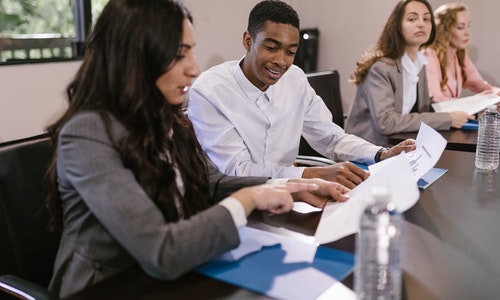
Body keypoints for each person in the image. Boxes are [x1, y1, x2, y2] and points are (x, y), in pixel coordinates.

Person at [43, 0, 352, 297]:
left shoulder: (167, 117)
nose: (194, 68)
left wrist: (288, 188)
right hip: (112, 286)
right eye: (180, 55)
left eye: (191, 52)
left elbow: (210, 182)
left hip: (175, 275)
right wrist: (248, 198)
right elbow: (160, 251)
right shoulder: (87, 133)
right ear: (136, 57)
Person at [187, 0, 416, 189]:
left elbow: (330, 138)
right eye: (271, 47)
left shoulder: (295, 79)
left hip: (293, 193)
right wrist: (312, 175)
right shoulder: (210, 91)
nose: (281, 61)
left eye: (291, 52)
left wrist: (381, 154)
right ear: (248, 40)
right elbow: (238, 171)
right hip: (238, 199)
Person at [344, 0, 474, 146]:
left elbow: (424, 108)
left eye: (426, 19)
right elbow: (386, 122)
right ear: (397, 26)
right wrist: (447, 118)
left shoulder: (419, 63)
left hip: (398, 146)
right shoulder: (381, 68)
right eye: (412, 19)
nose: (421, 24)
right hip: (368, 149)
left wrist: (467, 111)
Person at [424, 3, 500, 102]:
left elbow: (484, 87)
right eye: (460, 27)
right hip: (437, 117)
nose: (468, 32)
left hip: (454, 116)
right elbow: (436, 100)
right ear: (443, 30)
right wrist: (474, 101)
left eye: (469, 26)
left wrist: (497, 93)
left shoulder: (460, 57)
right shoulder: (428, 57)